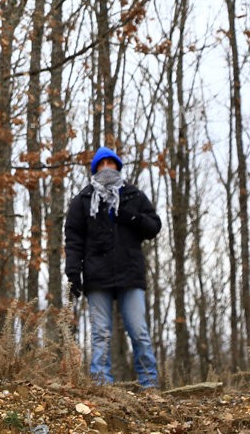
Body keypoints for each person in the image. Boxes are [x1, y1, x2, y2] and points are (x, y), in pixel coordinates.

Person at [64, 147, 162, 388]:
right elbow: (73, 239)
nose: (107, 167)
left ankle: (150, 385)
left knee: (139, 332)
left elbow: (154, 226)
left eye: (111, 162)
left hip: (130, 274)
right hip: (98, 276)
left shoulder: (133, 196)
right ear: (95, 168)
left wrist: (132, 217)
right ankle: (101, 385)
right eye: (102, 163)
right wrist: (73, 273)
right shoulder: (83, 200)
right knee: (100, 335)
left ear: (118, 166)